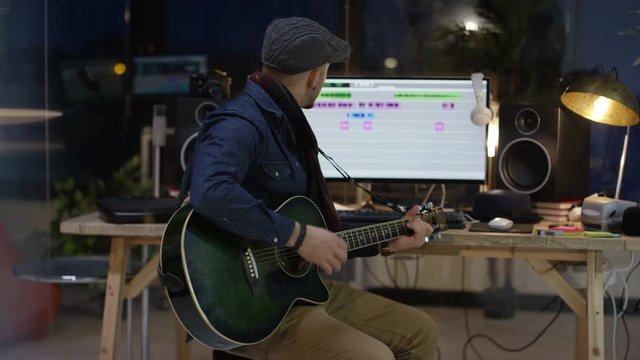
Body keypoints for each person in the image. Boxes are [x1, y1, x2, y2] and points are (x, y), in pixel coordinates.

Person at [189, 16, 438, 360]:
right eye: (327, 72)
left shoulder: (287, 126)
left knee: (421, 330)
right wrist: (298, 236)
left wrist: (390, 235)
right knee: (371, 356)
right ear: (315, 75)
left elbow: (319, 230)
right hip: (251, 305)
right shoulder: (242, 122)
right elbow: (209, 191)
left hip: (299, 290)